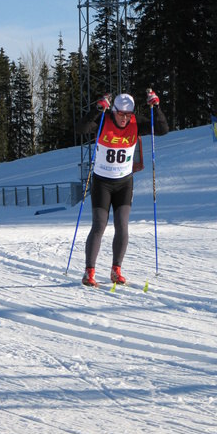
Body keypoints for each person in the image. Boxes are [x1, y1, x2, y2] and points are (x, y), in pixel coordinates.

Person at [75, 89, 169, 287]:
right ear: (114, 111)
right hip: (102, 182)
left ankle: (116, 270)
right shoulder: (104, 120)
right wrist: (97, 109)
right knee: (99, 225)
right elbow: (81, 128)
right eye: (120, 114)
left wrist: (156, 107)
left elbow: (162, 129)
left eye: (128, 114)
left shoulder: (135, 123)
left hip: (124, 183)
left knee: (122, 225)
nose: (124, 118)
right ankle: (89, 272)